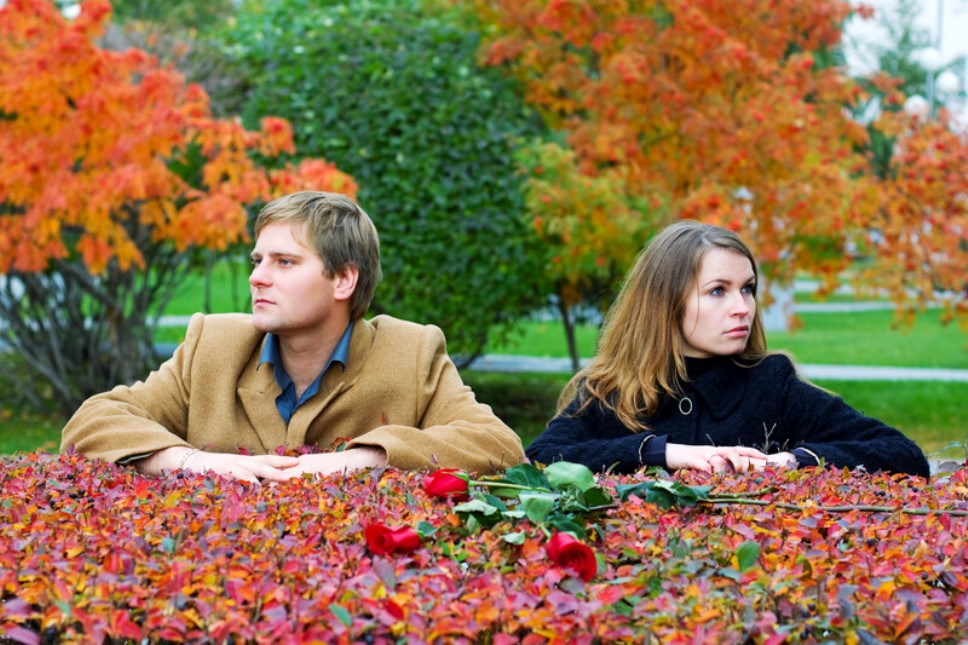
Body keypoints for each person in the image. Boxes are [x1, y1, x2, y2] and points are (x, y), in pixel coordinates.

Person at [62, 191, 525, 482]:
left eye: (284, 262)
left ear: (343, 280)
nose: (257, 278)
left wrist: (359, 459)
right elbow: (92, 423)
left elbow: (497, 445)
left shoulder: (411, 351)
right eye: (257, 260)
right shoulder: (213, 344)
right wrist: (191, 461)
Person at [526, 220, 931, 478]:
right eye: (718, 291)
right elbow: (541, 459)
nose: (743, 308)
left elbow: (903, 455)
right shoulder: (612, 390)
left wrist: (790, 462)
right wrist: (662, 453)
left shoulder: (770, 384)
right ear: (665, 301)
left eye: (748, 289)